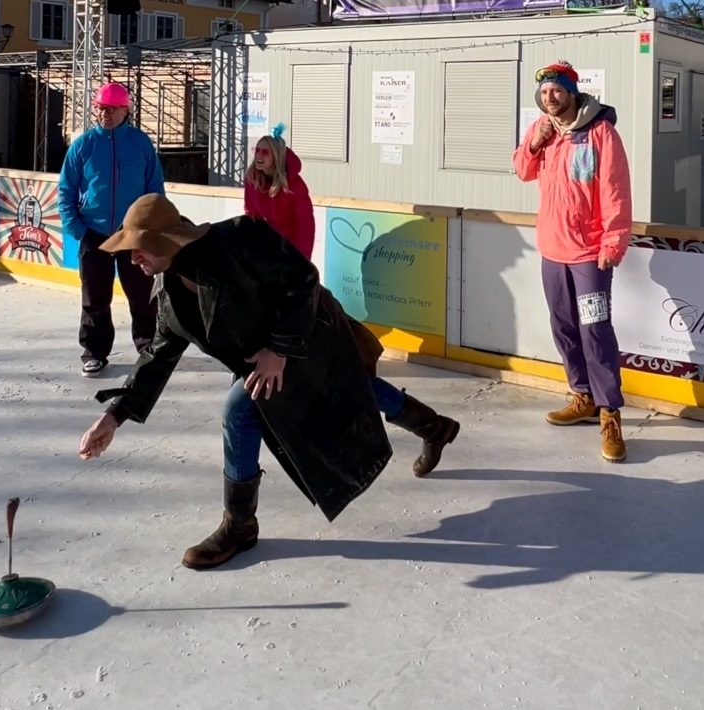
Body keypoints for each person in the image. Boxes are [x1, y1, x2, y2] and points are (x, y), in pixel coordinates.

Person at [78, 194, 460, 570]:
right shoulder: (170, 296)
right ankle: (434, 426)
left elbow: (301, 280)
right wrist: (114, 416)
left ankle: (238, 526)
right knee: (353, 388)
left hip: (307, 334)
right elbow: (157, 356)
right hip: (264, 357)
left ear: (168, 242)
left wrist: (278, 350)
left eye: (140, 247)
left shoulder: (239, 239)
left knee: (248, 408)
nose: (133, 258)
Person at [512, 60, 632, 463]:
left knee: (595, 329)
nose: (550, 98)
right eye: (544, 93)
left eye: (556, 91)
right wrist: (534, 142)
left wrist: (613, 242)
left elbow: (615, 191)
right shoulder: (543, 131)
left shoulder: (600, 132)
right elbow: (521, 172)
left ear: (572, 92)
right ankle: (582, 396)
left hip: (588, 254)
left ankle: (609, 412)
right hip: (552, 249)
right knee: (563, 326)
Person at [58, 82, 165, 377]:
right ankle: (94, 351)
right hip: (94, 232)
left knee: (142, 295)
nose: (103, 114)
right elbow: (66, 189)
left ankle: (148, 347)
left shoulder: (140, 143)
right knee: (94, 297)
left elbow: (155, 187)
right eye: (99, 108)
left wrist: (151, 226)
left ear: (124, 110)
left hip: (133, 234)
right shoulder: (84, 145)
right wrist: (78, 230)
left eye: (109, 109)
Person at [244, 124, 315, 260]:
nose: (259, 156)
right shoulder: (252, 179)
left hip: (291, 248)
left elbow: (305, 224)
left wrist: (303, 257)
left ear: (276, 156)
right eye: (257, 151)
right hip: (267, 247)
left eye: (265, 152)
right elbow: (251, 216)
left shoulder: (294, 185)